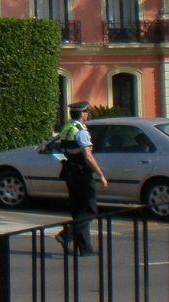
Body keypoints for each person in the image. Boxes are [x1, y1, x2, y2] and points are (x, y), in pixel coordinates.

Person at [56, 101, 107, 256]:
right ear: (83, 113)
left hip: (70, 172)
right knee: (90, 210)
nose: (87, 114)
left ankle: (84, 248)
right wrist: (100, 174)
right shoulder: (80, 131)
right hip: (82, 174)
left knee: (79, 211)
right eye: (86, 112)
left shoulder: (67, 128)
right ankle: (66, 235)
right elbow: (88, 156)